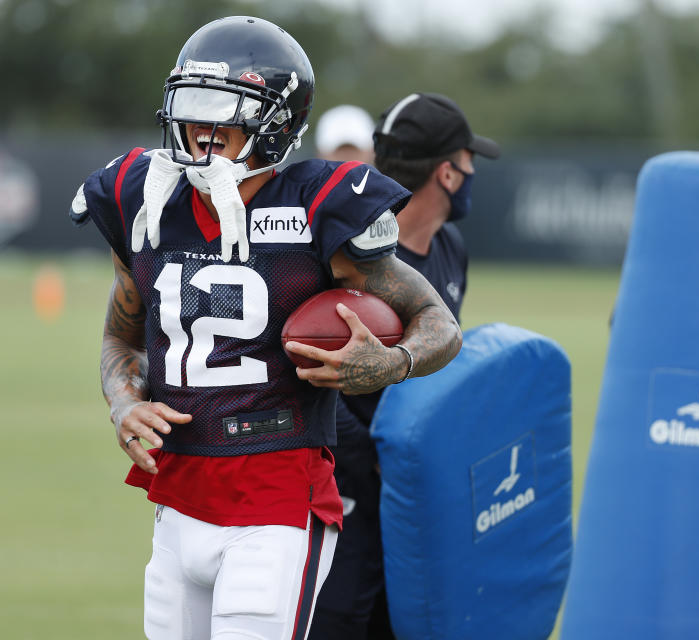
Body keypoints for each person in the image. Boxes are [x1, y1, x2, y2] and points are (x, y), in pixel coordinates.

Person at [69, 18, 461, 640]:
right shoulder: (138, 197)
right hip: (175, 497)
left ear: (274, 121)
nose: (199, 130)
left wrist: (392, 363)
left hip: (275, 498)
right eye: (190, 106)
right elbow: (121, 333)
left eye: (220, 112)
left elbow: (439, 322)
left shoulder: (318, 205)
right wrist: (123, 403)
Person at [309, 92, 499, 639]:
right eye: (468, 160)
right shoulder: (348, 253)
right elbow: (312, 374)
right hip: (347, 486)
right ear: (447, 172)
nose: (471, 172)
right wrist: (374, 458)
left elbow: (440, 371)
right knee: (341, 617)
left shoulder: (451, 247)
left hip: (416, 491)